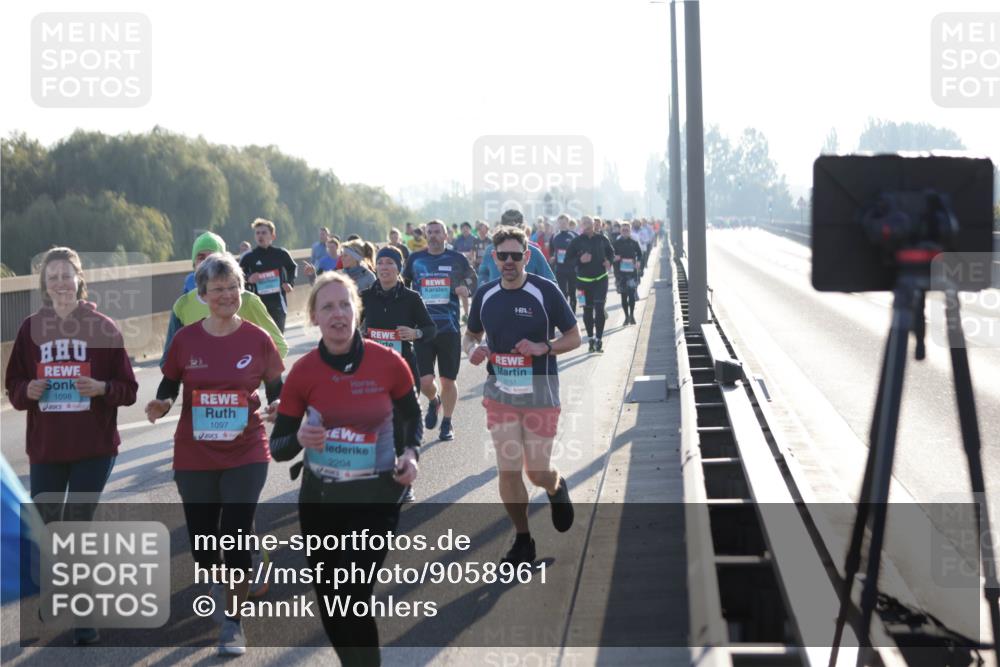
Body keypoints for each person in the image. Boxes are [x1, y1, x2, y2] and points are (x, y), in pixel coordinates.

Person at [269, 272, 421, 666]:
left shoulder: (388, 362)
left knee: (353, 591)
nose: (338, 314)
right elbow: (279, 447)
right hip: (321, 503)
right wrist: (301, 437)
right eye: (327, 307)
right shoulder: (302, 373)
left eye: (344, 304)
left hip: (377, 500)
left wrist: (411, 453)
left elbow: (411, 417)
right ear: (314, 318)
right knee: (332, 599)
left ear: (357, 309)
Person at [146, 253, 284, 657]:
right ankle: (222, 575)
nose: (226, 295)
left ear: (242, 290)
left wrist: (279, 406)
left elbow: (276, 385)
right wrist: (162, 404)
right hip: (195, 452)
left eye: (233, 287)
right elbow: (170, 384)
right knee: (205, 546)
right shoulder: (186, 339)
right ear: (203, 294)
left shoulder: (257, 338)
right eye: (217, 289)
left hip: (247, 449)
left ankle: (233, 622)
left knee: (236, 533)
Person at [5, 247, 138, 645]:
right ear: (45, 284)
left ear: (81, 279)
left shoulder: (102, 326)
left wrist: (101, 388)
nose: (61, 282)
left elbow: (128, 389)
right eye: (53, 275)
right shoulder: (31, 329)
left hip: (93, 448)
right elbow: (12, 386)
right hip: (46, 447)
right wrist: (25, 390)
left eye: (68, 274)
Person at [464, 226, 580, 565]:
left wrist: (544, 347)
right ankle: (523, 539)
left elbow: (574, 337)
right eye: (504, 256)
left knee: (536, 472)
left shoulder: (545, 291)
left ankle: (556, 487)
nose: (510, 261)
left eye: (517, 255)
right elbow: (469, 335)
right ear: (494, 258)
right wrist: (473, 349)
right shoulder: (485, 294)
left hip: (541, 391)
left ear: (527, 256)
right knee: (509, 469)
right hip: (500, 392)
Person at [402, 220, 476, 442]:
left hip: (449, 328)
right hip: (422, 329)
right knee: (425, 381)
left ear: (446, 235)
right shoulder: (415, 259)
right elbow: (402, 284)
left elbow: (473, 279)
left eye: (437, 232)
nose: (433, 236)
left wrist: (467, 288)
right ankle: (434, 402)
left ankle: (447, 422)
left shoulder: (457, 259)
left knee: (448, 380)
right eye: (430, 232)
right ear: (426, 235)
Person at [162, 236, 287, 366]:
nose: (206, 263)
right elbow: (168, 360)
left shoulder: (247, 300)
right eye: (200, 257)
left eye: (212, 257)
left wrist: (248, 374)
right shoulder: (183, 305)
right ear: (193, 263)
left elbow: (279, 347)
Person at [239, 218, 298, 333]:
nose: (260, 236)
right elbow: (236, 276)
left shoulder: (281, 254)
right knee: (260, 340)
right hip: (257, 305)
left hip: (278, 304)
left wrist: (289, 283)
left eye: (264, 232)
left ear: (272, 236)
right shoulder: (248, 257)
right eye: (258, 233)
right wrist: (248, 278)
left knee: (278, 340)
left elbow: (292, 267)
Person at [566, 216, 615, 352]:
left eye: (589, 223)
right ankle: (590, 339)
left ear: (594, 225)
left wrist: (609, 262)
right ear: (581, 225)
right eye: (584, 223)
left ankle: (599, 339)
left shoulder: (601, 238)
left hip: (601, 279)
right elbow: (568, 259)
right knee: (587, 311)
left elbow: (611, 252)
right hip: (582, 283)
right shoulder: (576, 241)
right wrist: (580, 260)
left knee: (599, 308)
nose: (586, 225)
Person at [478, 210, 555, 284]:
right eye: (502, 255)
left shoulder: (534, 252)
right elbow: (482, 275)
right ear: (523, 228)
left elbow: (551, 283)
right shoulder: (490, 250)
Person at [613, 222, 644, 326]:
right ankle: (626, 317)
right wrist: (614, 258)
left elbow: (640, 254)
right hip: (620, 273)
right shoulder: (616, 243)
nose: (625, 231)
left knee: (631, 295)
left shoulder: (634, 242)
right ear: (620, 231)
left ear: (630, 231)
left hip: (631, 273)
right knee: (623, 296)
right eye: (623, 230)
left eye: (627, 230)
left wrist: (639, 261)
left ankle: (632, 315)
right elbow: (610, 255)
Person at [548, 214, 579, 314]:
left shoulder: (574, 235)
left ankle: (573, 314)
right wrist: (552, 257)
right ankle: (565, 314)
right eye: (560, 223)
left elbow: (580, 250)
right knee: (562, 293)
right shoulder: (555, 236)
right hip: (560, 269)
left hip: (572, 269)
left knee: (572, 293)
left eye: (564, 223)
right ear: (558, 223)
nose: (562, 225)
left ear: (568, 223)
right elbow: (551, 250)